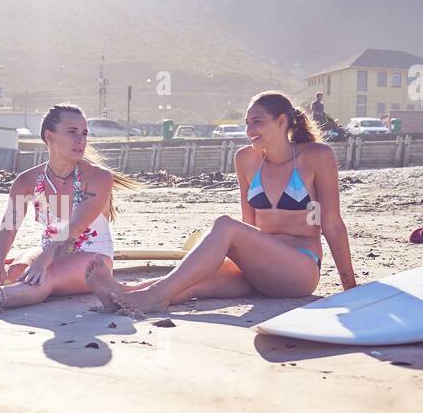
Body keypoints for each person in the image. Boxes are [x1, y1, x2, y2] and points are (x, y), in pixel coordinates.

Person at [86, 91, 358, 313]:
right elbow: (248, 227)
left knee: (224, 226)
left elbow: (332, 224)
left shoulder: (316, 156)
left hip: (299, 269)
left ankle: (155, 296)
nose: (249, 129)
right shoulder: (246, 159)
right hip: (260, 267)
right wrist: (216, 261)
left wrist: (351, 289)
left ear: (282, 121)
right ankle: (121, 293)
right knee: (194, 283)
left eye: (257, 122)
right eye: (247, 123)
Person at [0, 104, 140, 314]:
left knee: (45, 275)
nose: (81, 140)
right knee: (15, 271)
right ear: (49, 137)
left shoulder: (98, 177)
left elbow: (76, 227)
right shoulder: (27, 181)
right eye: (72, 132)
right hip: (49, 251)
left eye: (84, 133)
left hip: (93, 259)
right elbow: (8, 226)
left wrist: (44, 259)